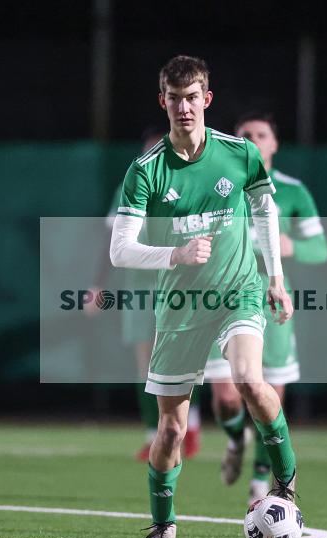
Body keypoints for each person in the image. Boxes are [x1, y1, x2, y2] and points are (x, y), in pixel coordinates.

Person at [109, 55, 298, 538]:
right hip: (180, 307)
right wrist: (176, 252)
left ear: (206, 100)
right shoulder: (145, 171)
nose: (184, 107)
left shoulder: (239, 154)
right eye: (175, 99)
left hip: (239, 291)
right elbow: (119, 248)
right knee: (171, 427)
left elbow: (264, 207)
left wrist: (274, 277)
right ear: (163, 102)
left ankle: (284, 485)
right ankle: (163, 525)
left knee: (249, 380)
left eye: (193, 97)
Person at [204, 112, 327, 504]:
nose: (253, 139)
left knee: (267, 393)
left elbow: (320, 248)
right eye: (245, 134)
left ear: (274, 144)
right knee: (226, 397)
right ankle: (234, 438)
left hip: (269, 296)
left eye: (262, 134)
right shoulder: (221, 184)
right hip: (222, 296)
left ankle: (261, 481)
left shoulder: (292, 191)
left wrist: (290, 246)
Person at [90, 127, 201, 461]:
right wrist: (98, 285)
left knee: (184, 361)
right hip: (140, 285)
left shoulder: (190, 185)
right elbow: (111, 242)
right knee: (146, 364)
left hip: (180, 284)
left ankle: (189, 427)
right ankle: (154, 435)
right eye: (149, 151)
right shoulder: (130, 185)